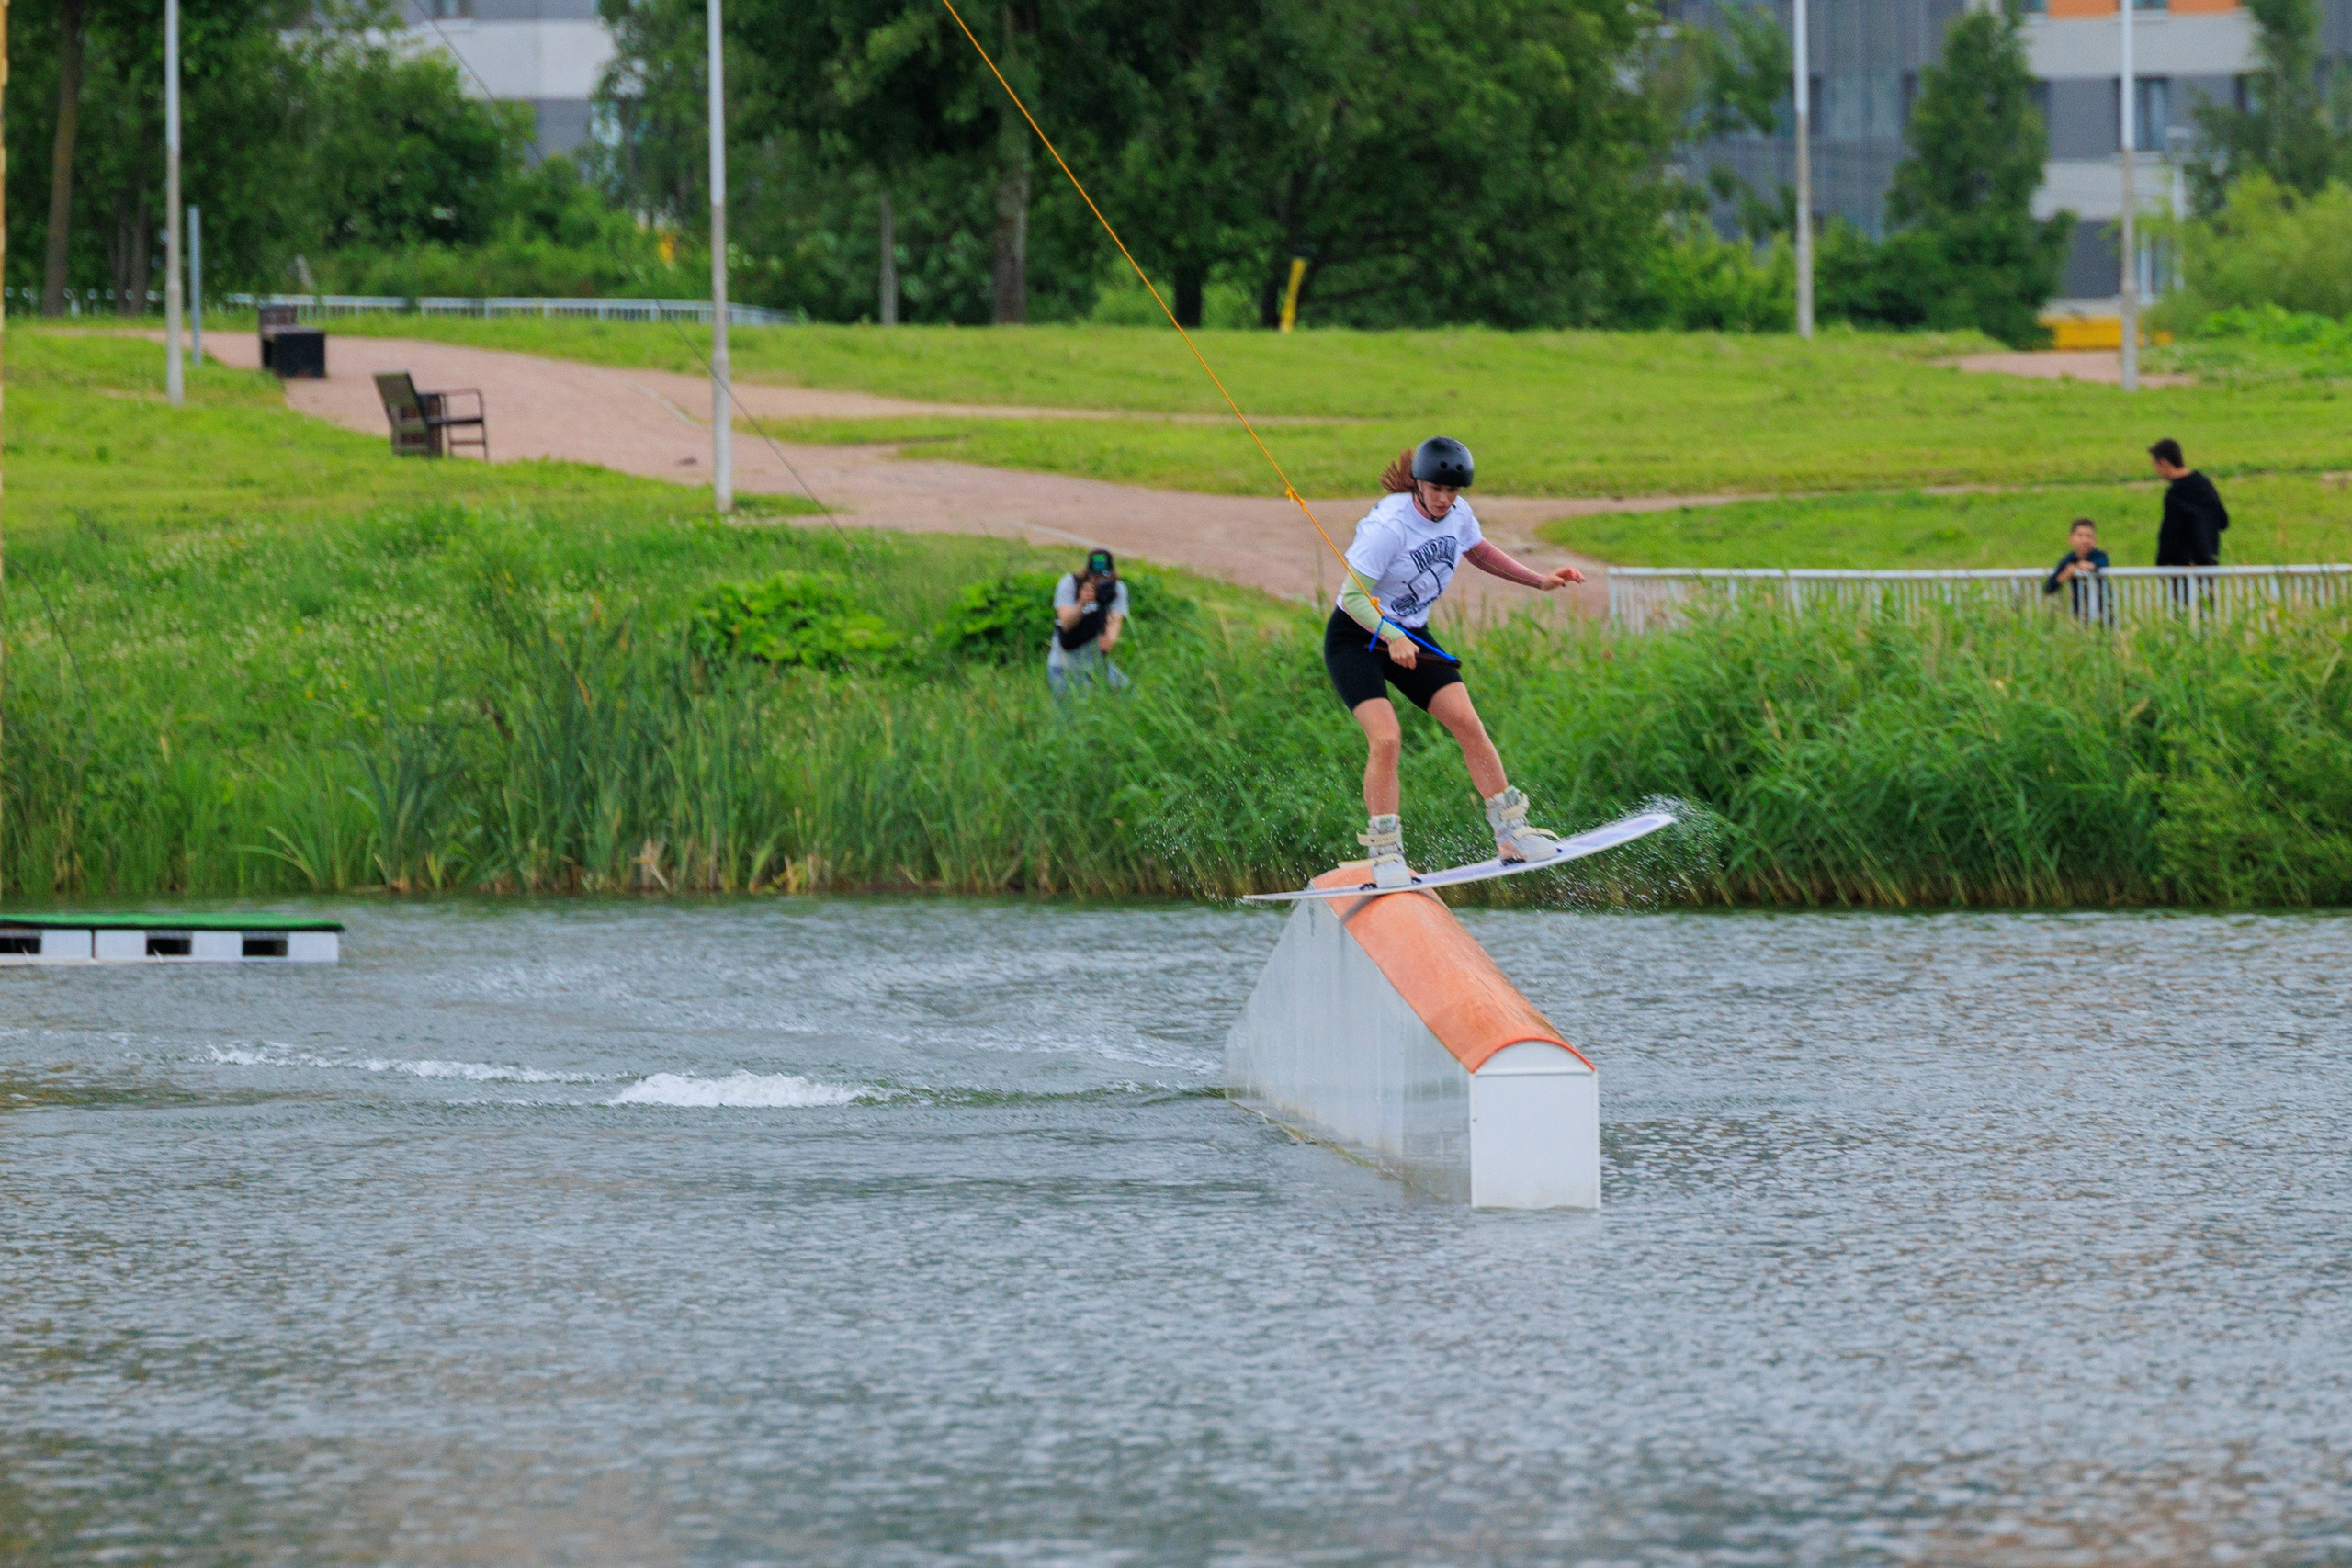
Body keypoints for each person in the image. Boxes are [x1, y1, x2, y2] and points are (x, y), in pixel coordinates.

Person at [1326, 436, 1584, 889]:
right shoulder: (1388, 527)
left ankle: (1510, 834)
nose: (1445, 499)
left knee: (1467, 721)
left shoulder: (1457, 516)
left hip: (1411, 636)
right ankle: (1387, 855)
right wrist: (1388, 634)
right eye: (1436, 489)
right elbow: (1351, 598)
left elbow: (1479, 551)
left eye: (1453, 491)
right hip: (1357, 636)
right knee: (1387, 738)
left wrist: (1539, 580)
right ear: (1418, 484)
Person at [1049, 547, 1130, 698]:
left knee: (1129, 695)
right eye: (1095, 576)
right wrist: (1082, 603)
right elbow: (1066, 623)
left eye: (1104, 576)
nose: (1100, 580)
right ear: (1087, 573)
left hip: (1096, 664)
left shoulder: (1117, 589)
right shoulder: (1070, 584)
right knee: (1068, 716)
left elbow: (1116, 619)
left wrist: (1110, 639)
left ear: (1112, 573)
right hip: (1065, 664)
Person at [2152, 438, 2229, 569]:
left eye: (2155, 465)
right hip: (2210, 567)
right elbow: (2223, 522)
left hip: (2184, 571)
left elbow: (2169, 533)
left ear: (2164, 463)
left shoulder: (2175, 494)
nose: (2155, 470)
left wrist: (2161, 565)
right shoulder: (2205, 484)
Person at [2043, 517, 2112, 623]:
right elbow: (2049, 588)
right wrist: (2067, 573)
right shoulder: (2068, 560)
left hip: (2103, 612)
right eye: (2080, 536)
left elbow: (2104, 562)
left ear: (2095, 540)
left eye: (2089, 536)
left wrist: (2091, 565)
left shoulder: (2099, 555)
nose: (2085, 540)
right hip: (2080, 613)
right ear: (2070, 539)